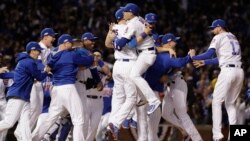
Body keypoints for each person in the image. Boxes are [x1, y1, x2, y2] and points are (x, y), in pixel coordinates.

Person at [32, 34, 95, 141]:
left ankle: (33, 139)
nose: (72, 45)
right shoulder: (71, 54)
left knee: (50, 118)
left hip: (56, 88)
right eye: (70, 43)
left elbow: (48, 67)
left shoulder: (53, 56)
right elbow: (88, 61)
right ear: (65, 43)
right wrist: (90, 55)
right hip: (68, 88)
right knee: (79, 119)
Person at [191, 19, 244, 141]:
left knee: (216, 102)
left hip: (227, 72)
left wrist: (193, 56)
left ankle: (217, 135)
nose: (212, 30)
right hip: (239, 72)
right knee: (230, 104)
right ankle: (235, 136)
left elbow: (209, 53)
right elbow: (221, 58)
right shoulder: (233, 37)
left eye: (213, 28)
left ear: (219, 27)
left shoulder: (219, 36)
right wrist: (204, 62)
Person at [114, 3, 161, 115]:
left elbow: (121, 45)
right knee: (134, 75)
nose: (123, 13)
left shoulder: (132, 24)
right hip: (147, 52)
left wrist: (115, 39)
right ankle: (144, 97)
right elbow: (152, 34)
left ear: (131, 13)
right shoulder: (140, 19)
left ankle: (153, 100)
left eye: (125, 11)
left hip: (146, 53)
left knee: (134, 75)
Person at [15, 27, 58, 140]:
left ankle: (23, 133)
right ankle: (21, 133)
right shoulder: (38, 48)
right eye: (52, 36)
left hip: (39, 81)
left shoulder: (49, 49)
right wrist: (49, 70)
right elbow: (38, 65)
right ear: (45, 37)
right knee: (33, 109)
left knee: (37, 110)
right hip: (31, 81)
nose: (54, 38)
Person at [0, 41, 48, 141]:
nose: (39, 53)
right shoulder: (29, 62)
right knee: (9, 122)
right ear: (32, 51)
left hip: (24, 98)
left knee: (25, 124)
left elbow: (12, 75)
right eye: (38, 51)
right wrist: (47, 71)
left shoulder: (23, 62)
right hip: (17, 96)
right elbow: (39, 76)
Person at [105, 7, 138, 140]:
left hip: (117, 64)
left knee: (118, 98)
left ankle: (110, 125)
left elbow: (107, 44)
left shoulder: (115, 29)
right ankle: (116, 123)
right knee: (132, 98)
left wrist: (110, 32)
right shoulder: (130, 27)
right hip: (129, 64)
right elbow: (136, 43)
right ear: (124, 17)